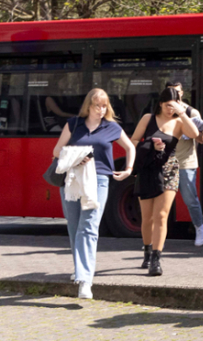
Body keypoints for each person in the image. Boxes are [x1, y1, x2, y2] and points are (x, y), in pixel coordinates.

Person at [51, 88, 136, 299]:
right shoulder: (74, 124)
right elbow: (56, 151)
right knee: (74, 225)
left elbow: (130, 147)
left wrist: (129, 169)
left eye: (104, 105)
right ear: (88, 106)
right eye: (97, 105)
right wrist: (76, 158)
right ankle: (79, 269)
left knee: (88, 226)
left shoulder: (112, 127)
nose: (101, 109)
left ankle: (85, 281)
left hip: (99, 180)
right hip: (73, 178)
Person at [131, 87, 202, 276]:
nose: (171, 109)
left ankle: (156, 258)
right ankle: (147, 250)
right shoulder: (148, 119)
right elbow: (134, 141)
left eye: (175, 105)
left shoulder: (179, 122)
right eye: (169, 105)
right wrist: (151, 146)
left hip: (169, 169)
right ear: (161, 103)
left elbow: (194, 133)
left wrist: (181, 112)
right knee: (147, 218)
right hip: (147, 169)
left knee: (162, 215)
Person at [169, 81, 203, 246]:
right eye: (171, 92)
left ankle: (199, 227)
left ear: (182, 93)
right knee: (160, 199)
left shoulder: (191, 112)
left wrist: (192, 131)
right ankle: (155, 238)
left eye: (177, 92)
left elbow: (202, 139)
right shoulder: (161, 111)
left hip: (186, 161)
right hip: (167, 161)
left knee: (190, 198)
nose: (175, 96)